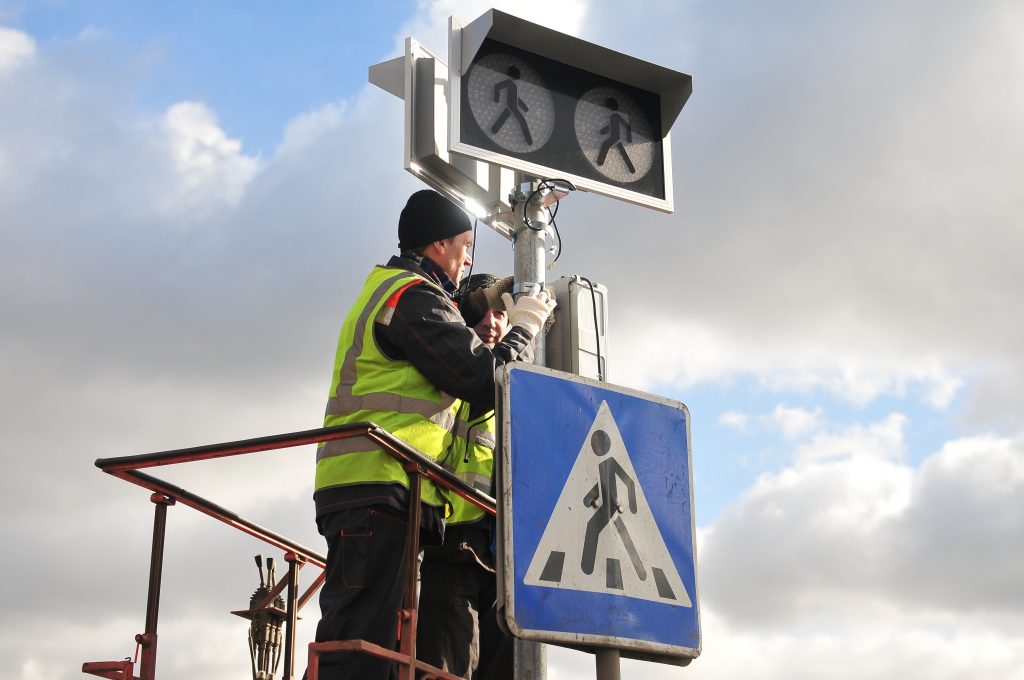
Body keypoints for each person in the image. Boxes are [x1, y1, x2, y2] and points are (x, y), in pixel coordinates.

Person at [310, 190, 556, 680]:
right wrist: (524, 327)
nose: (468, 260)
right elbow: (483, 380)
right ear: (440, 244)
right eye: (466, 246)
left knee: (375, 642)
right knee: (361, 643)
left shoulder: (399, 291)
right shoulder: (410, 295)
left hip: (385, 486)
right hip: (377, 482)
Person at [417, 274, 518, 680]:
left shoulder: (519, 386)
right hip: (454, 545)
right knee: (445, 666)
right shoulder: (454, 373)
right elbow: (485, 381)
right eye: (480, 313)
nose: (491, 323)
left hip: (505, 559)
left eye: (500, 314)